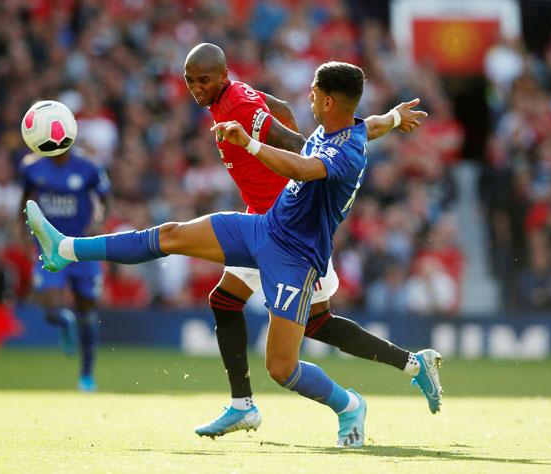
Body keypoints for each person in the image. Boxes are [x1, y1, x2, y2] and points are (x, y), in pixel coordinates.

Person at [26, 61, 436, 448]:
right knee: (171, 235)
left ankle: (349, 405)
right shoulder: (349, 128)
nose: (307, 96)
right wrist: (397, 118)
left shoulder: (343, 153)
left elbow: (305, 169)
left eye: (314, 92)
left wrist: (252, 142)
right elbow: (375, 123)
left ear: (328, 100)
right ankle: (65, 248)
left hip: (295, 258)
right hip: (263, 226)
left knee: (283, 368)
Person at [182, 43, 442, 438]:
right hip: (269, 221)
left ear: (219, 76)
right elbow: (295, 111)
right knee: (292, 316)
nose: (195, 88)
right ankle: (412, 365)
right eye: (190, 81)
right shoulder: (235, 94)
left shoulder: (240, 107)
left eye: (201, 80)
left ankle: (256, 405)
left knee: (295, 322)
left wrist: (284, 160)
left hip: (286, 231)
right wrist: (391, 117)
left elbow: (295, 142)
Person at [19, 147, 111, 392]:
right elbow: (24, 202)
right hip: (49, 248)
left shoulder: (89, 166)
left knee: (88, 310)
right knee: (50, 309)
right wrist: (25, 237)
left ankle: (87, 375)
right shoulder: (31, 167)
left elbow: (104, 202)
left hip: (82, 247)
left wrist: (98, 223)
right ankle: (63, 321)